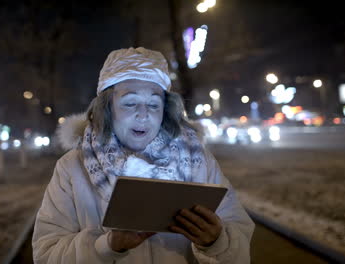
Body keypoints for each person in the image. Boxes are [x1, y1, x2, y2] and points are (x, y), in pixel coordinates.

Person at [32, 47, 255, 264]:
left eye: (153, 104)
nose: (143, 115)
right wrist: (106, 246)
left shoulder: (200, 162)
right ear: (107, 108)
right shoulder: (72, 168)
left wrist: (217, 242)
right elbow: (46, 254)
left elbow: (241, 246)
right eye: (130, 103)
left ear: (166, 109)